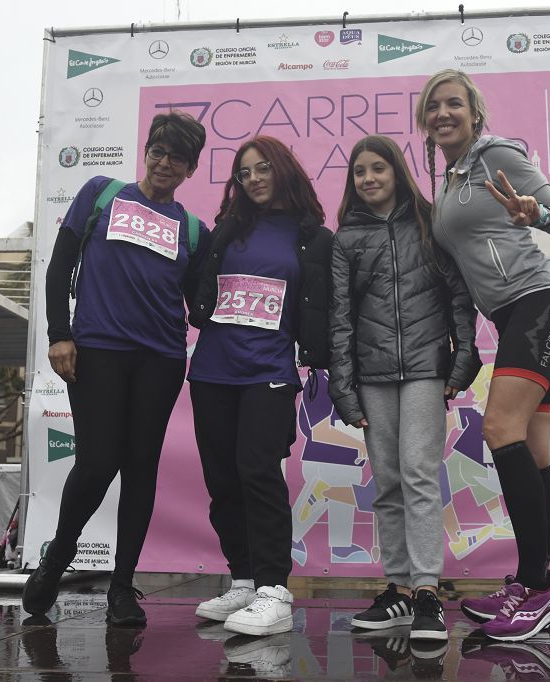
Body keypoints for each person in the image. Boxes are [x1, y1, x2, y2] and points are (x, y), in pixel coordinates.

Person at [24, 111, 210, 626]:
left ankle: (123, 588)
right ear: (145, 150)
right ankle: (58, 557)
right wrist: (59, 334)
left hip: (161, 359)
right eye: (158, 150)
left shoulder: (195, 230)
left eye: (177, 157)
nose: (164, 162)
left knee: (141, 468)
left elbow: (199, 304)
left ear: (191, 169)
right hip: (97, 350)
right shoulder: (100, 194)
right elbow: (60, 267)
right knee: (98, 461)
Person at [416, 69, 550, 642]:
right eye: (433, 106)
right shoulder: (452, 177)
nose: (443, 113)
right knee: (533, 450)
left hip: (540, 300)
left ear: (474, 113)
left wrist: (531, 213)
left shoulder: (494, 154)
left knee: (500, 427)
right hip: (512, 315)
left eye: (453, 104)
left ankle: (536, 587)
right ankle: (535, 584)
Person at [327, 135, 481, 641]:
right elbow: (341, 320)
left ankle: (427, 594)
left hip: (424, 369)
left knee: (418, 474)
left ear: (396, 171)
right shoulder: (346, 239)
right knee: (387, 480)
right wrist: (343, 389)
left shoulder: (429, 224)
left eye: (378, 169)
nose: (368, 179)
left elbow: (460, 297)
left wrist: (462, 360)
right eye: (359, 172)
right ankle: (395, 590)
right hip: (371, 378)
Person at [187, 136, 332, 637]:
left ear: (284, 169)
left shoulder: (313, 237)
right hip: (211, 370)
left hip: (269, 371)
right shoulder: (226, 230)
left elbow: (322, 309)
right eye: (244, 172)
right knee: (222, 478)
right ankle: (244, 581)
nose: (253, 178)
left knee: (258, 472)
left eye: (262, 167)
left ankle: (274, 589)